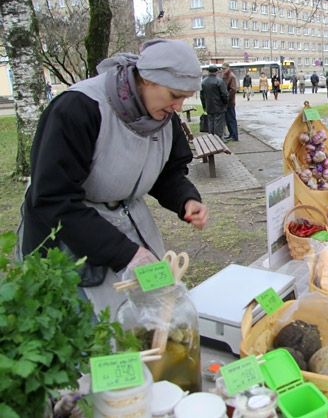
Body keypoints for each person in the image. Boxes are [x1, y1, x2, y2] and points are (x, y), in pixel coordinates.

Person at [18, 39, 209, 316]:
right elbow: (53, 198)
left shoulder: (164, 116)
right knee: (93, 330)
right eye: (174, 95)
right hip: (70, 233)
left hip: (129, 226)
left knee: (151, 316)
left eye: (185, 97)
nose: (179, 106)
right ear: (147, 79)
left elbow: (167, 171)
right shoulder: (78, 108)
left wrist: (185, 199)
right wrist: (125, 252)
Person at [200, 65, 228, 140]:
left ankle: (211, 139)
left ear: (209, 71)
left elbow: (202, 96)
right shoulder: (219, 81)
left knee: (211, 122)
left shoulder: (203, 82)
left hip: (209, 106)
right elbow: (224, 95)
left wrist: (204, 106)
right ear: (216, 72)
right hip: (219, 106)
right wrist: (225, 103)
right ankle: (218, 139)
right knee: (218, 124)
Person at [221, 62, 238, 142]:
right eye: (222, 68)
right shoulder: (225, 75)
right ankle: (231, 134)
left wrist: (227, 98)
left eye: (224, 68)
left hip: (230, 102)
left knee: (231, 119)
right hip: (226, 101)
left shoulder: (231, 76)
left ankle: (234, 135)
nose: (223, 70)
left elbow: (233, 89)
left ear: (228, 68)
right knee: (228, 119)